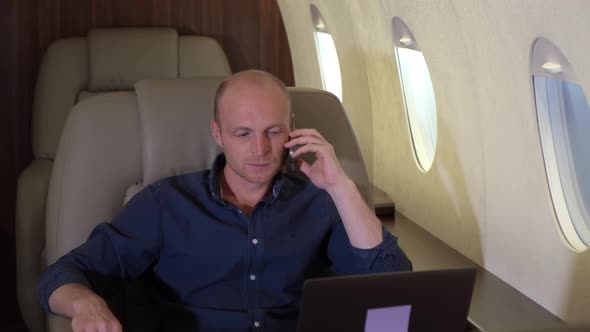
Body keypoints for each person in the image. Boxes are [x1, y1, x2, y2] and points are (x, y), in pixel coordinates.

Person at [38, 70, 411, 332]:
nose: (261, 149)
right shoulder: (166, 204)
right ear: (217, 132)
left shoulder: (318, 201)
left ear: (291, 128)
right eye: (243, 133)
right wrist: (85, 304)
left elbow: (394, 289)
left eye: (274, 131)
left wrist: (341, 186)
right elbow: (62, 274)